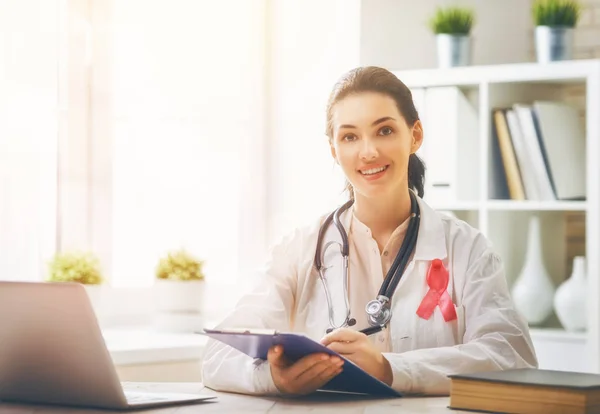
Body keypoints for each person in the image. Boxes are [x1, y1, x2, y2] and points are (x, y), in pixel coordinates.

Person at [201, 66, 538, 396]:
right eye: (349, 137)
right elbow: (217, 356)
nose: (368, 152)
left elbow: (513, 356)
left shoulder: (467, 249)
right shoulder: (299, 250)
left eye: (385, 131)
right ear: (334, 149)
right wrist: (273, 378)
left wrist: (389, 369)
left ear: (415, 136)